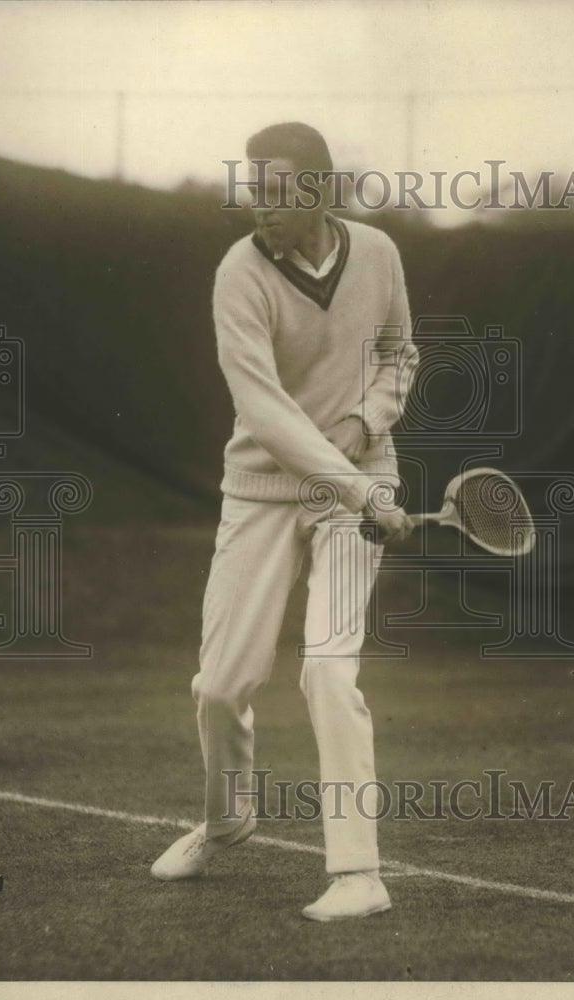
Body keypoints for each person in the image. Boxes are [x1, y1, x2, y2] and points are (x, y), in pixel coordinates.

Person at [151, 122, 418, 921]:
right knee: (219, 685)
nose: (259, 206)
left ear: (321, 191)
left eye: (276, 191)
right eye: (252, 190)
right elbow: (262, 409)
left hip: (360, 484)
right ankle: (225, 821)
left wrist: (367, 425)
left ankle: (358, 874)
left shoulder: (379, 253)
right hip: (265, 492)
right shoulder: (238, 272)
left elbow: (398, 353)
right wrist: (359, 491)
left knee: (328, 670)